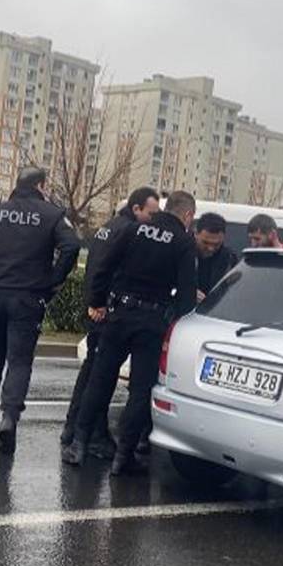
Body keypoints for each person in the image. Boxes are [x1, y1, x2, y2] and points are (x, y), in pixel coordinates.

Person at [63, 190, 198, 475]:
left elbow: (103, 267)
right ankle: (124, 455)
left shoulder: (133, 230)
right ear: (187, 215)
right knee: (140, 390)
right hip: (151, 323)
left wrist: (98, 302)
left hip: (119, 316)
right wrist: (171, 319)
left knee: (100, 380)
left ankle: (78, 444)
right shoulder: (184, 242)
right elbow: (186, 297)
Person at [0, 167, 81, 455]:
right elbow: (72, 246)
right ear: (41, 186)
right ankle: (9, 418)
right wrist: (53, 280)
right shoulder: (52, 215)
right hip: (29, 298)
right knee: (19, 361)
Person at [60, 186, 161, 459]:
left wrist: (94, 303)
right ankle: (93, 435)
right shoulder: (127, 231)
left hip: (98, 307)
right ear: (137, 208)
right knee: (98, 378)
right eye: (152, 213)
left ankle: (73, 428)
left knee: (91, 373)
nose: (154, 220)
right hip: (109, 311)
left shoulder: (110, 226)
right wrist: (104, 305)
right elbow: (110, 271)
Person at [194, 212, 239, 301]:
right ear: (196, 234)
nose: (210, 248)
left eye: (216, 244)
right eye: (205, 242)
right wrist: (187, 292)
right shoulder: (182, 253)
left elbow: (235, 290)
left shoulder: (229, 259)